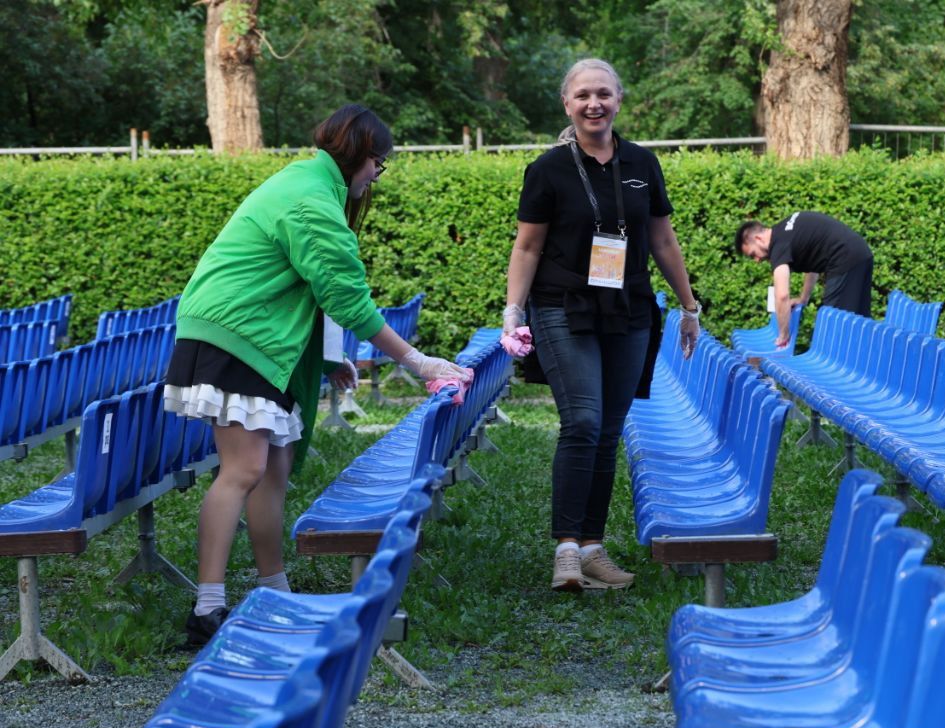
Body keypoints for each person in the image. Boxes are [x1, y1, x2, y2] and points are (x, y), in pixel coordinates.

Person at [164, 104, 470, 646]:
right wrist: (418, 362)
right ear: (360, 154)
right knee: (243, 468)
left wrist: (329, 356)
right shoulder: (311, 198)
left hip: (258, 337)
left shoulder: (310, 183)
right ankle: (207, 608)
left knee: (274, 467)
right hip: (236, 336)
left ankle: (274, 591)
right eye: (378, 162)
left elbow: (310, 283)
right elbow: (345, 296)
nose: (377, 174)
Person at [503, 58, 701, 593]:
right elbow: (527, 246)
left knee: (609, 430)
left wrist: (689, 307)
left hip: (629, 307)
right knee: (584, 421)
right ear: (567, 104)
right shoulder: (547, 169)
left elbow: (662, 239)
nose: (595, 104)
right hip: (562, 306)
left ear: (618, 100)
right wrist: (513, 312)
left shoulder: (642, 162)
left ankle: (592, 549)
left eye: (604, 94)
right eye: (584, 95)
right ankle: (566, 550)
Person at [735, 212, 874, 347]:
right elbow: (813, 265)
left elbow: (782, 295)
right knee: (859, 322)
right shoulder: (784, 231)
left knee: (834, 325)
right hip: (861, 253)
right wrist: (803, 298)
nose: (757, 260)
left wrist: (783, 335)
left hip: (845, 259)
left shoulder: (778, 245)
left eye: (753, 254)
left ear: (759, 239)